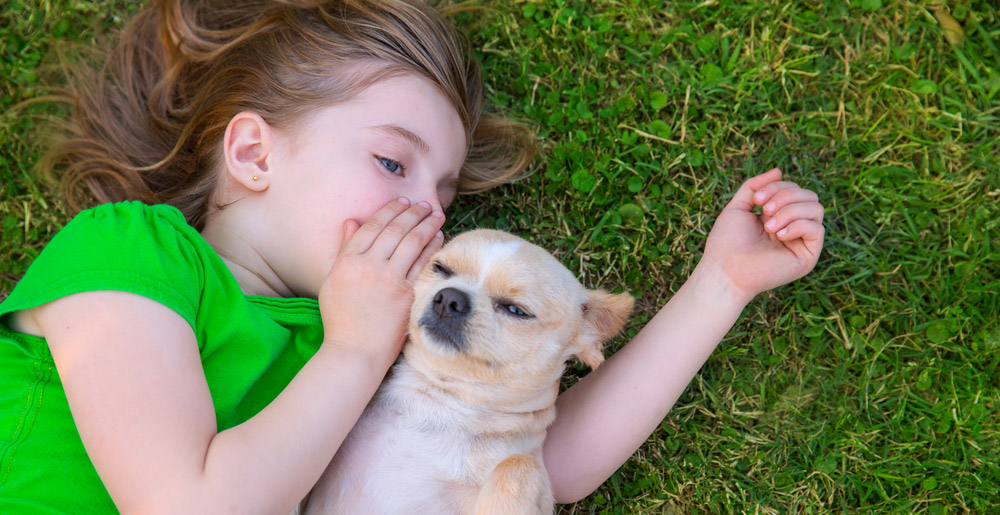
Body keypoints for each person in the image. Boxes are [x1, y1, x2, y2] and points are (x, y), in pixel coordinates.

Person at [0, 0, 824, 512]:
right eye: (392, 162)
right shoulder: (130, 254)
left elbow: (547, 457)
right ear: (253, 154)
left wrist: (722, 284)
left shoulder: (367, 331)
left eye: (444, 195)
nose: (426, 210)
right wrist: (354, 348)